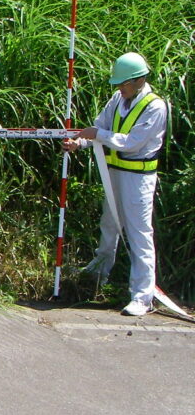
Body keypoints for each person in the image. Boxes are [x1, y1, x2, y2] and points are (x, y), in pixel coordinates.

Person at [62, 52, 168, 316]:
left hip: (138, 179)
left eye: (124, 84)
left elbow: (132, 143)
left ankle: (142, 297)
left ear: (140, 80)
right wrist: (80, 142)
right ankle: (99, 271)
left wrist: (97, 135)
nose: (120, 88)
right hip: (114, 173)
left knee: (139, 234)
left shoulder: (155, 107)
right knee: (109, 223)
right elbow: (99, 127)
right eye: (119, 84)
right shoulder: (117, 100)